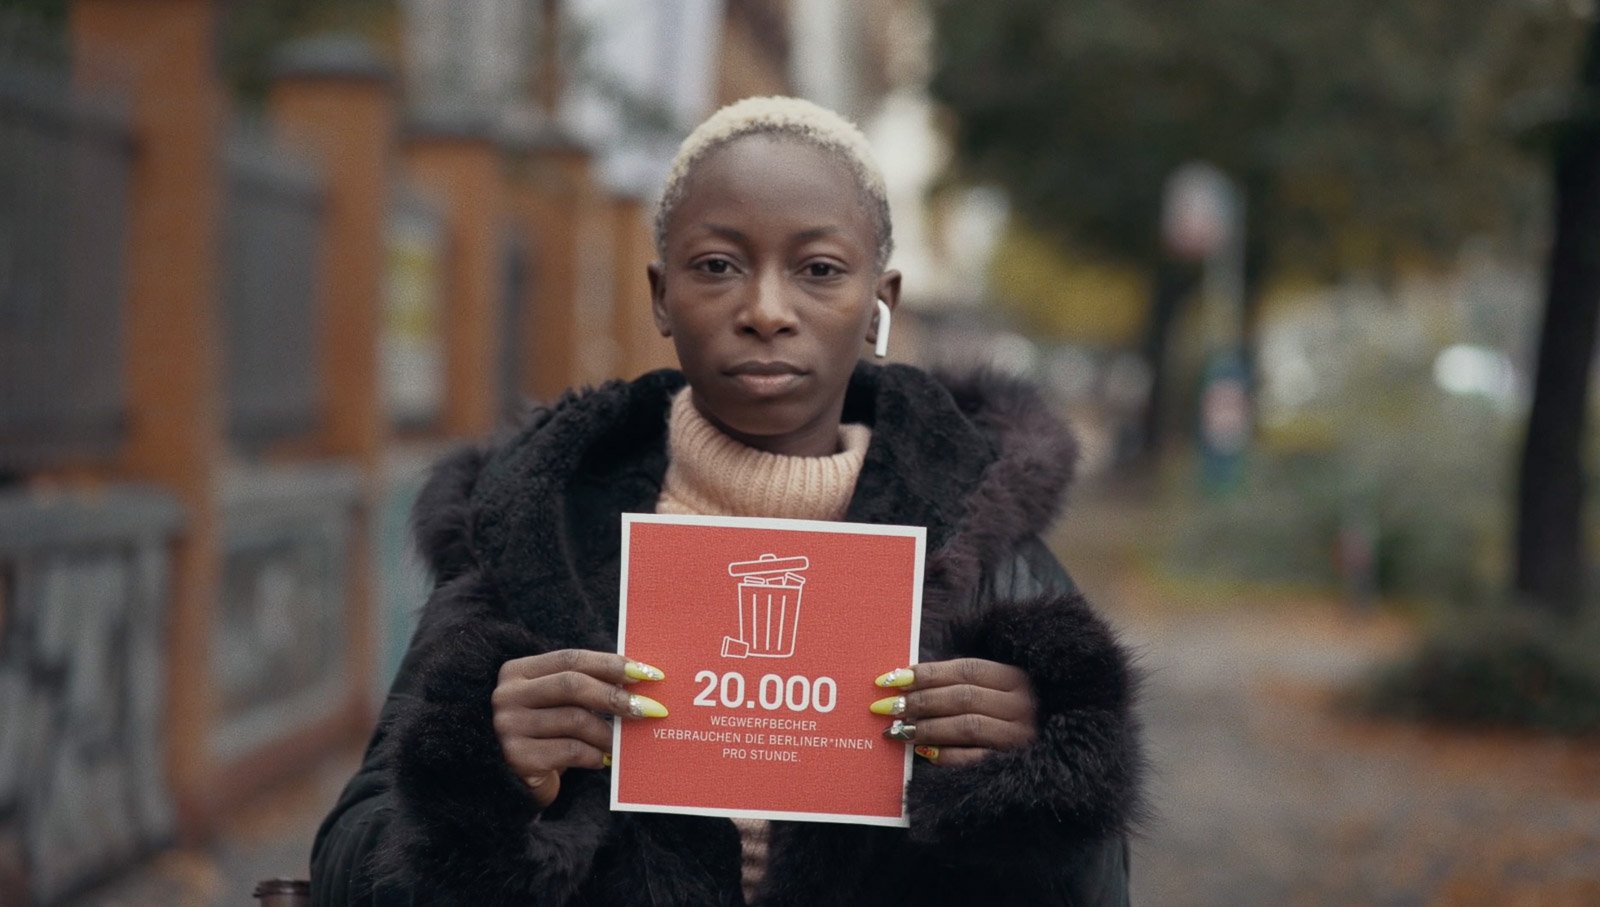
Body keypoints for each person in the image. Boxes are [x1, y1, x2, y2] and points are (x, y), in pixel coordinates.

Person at [311, 96, 1143, 905]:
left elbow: (1097, 887)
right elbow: (349, 863)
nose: (766, 310)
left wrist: (1040, 783)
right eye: (717, 265)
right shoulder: (536, 531)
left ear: (877, 306)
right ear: (661, 295)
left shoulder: (988, 550)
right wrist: (482, 774)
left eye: (819, 270)